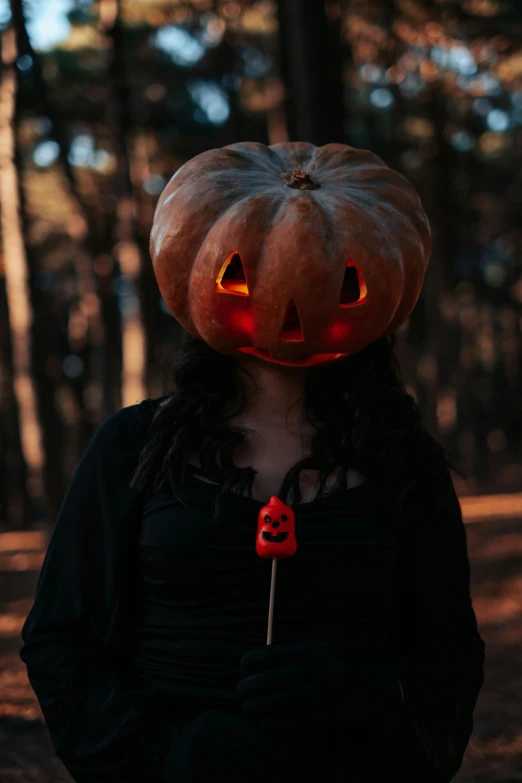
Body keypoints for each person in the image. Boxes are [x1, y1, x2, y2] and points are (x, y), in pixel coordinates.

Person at [20, 141, 485, 783]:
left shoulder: (404, 463)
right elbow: (59, 641)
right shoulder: (135, 446)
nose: (291, 309)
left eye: (340, 279)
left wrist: (371, 694)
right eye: (240, 271)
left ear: (380, 287)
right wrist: (172, 754)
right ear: (193, 267)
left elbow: (450, 656)